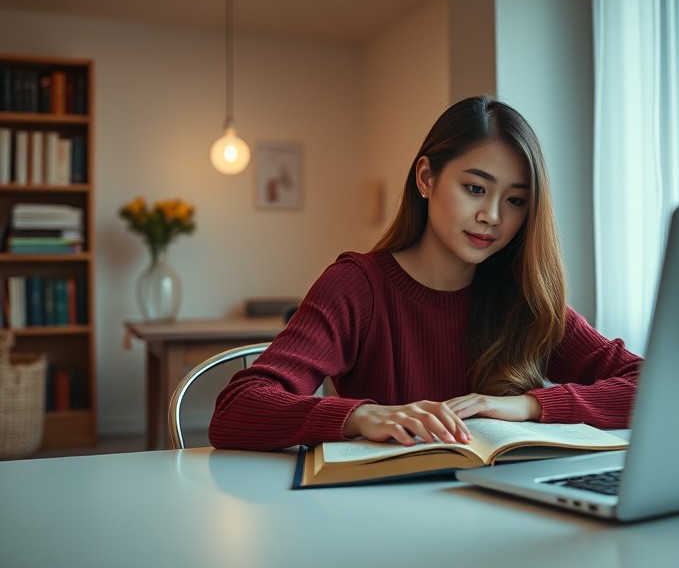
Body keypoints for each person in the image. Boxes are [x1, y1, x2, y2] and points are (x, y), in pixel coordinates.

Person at [209, 96, 642, 451]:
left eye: (515, 201)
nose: (492, 216)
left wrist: (529, 406)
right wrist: (361, 416)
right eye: (475, 189)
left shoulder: (523, 298)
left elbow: (651, 387)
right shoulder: (357, 286)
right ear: (426, 178)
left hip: (508, 518)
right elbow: (236, 409)